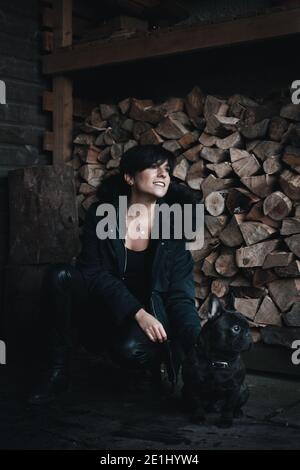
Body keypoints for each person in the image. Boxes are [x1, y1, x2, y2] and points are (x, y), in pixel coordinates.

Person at [29, 145, 201, 405]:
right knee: (59, 275)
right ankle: (57, 373)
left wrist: (195, 340)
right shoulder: (103, 216)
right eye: (154, 167)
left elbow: (180, 291)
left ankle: (151, 368)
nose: (163, 174)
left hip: (146, 319)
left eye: (167, 169)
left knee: (131, 351)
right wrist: (137, 312)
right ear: (129, 177)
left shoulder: (174, 227)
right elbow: (92, 272)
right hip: (102, 310)